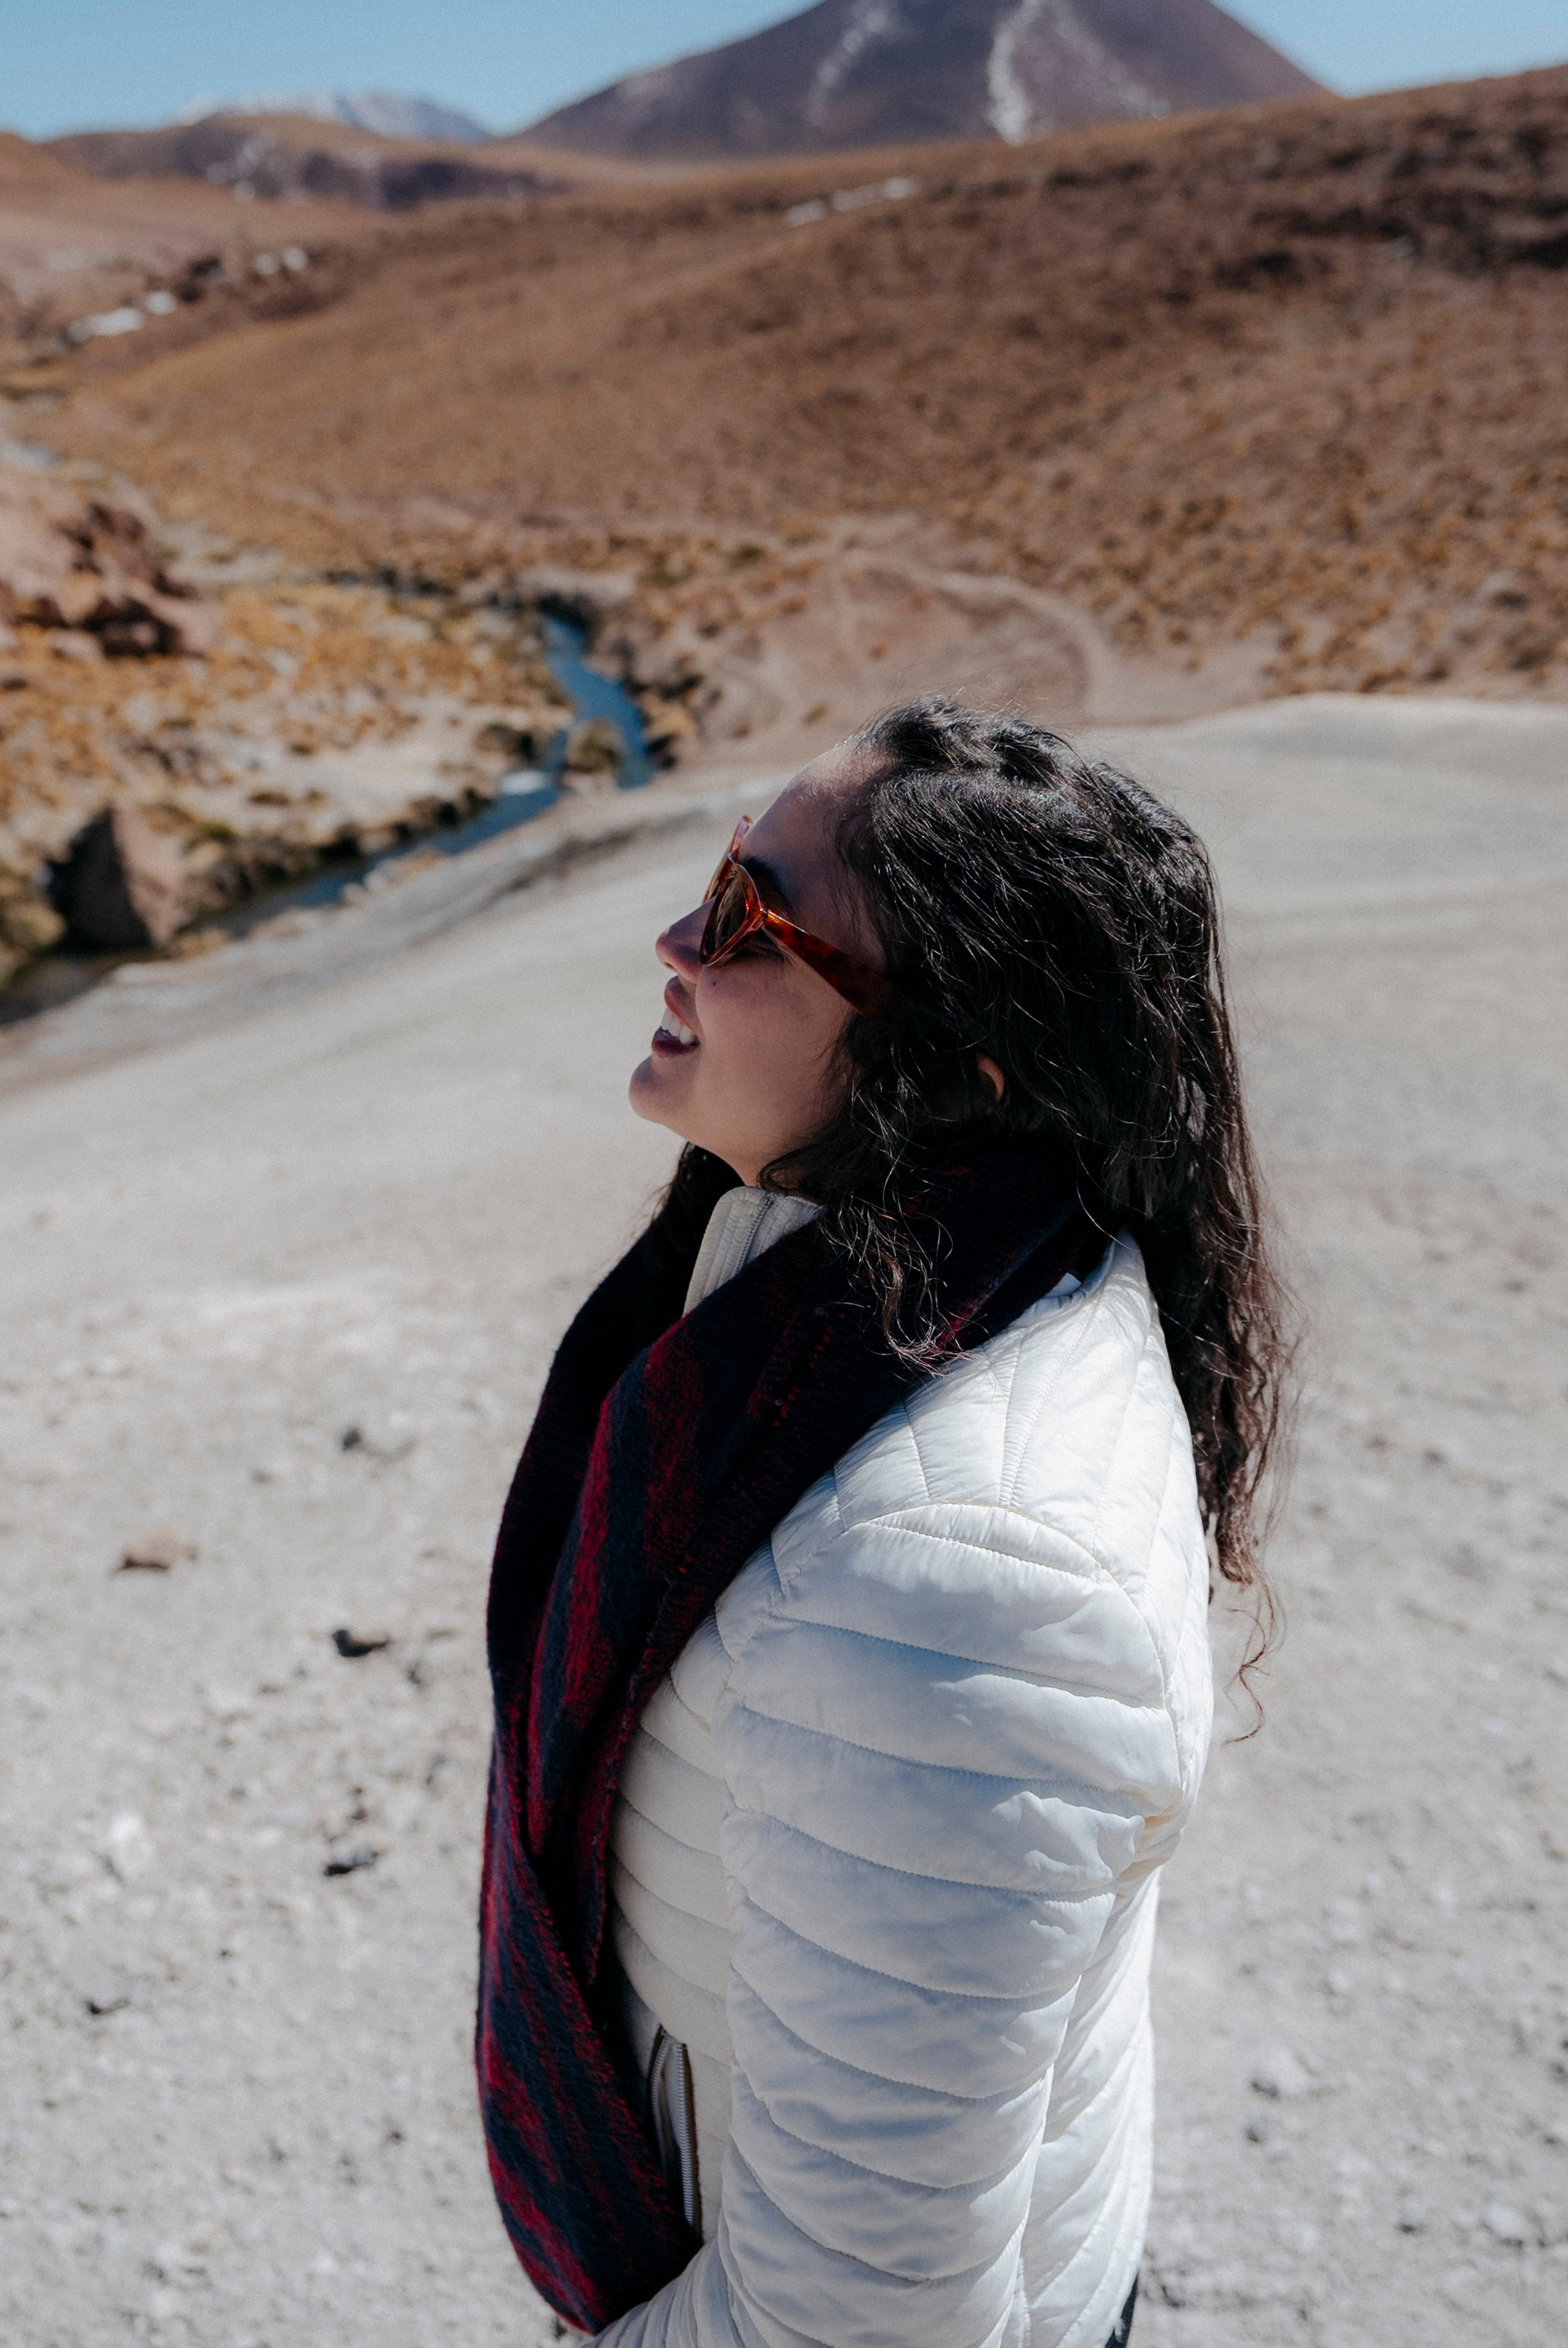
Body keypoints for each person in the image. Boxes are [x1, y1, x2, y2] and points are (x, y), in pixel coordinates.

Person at [478, 698, 1289, 2348]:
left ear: (960, 1063)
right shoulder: (911, 1291)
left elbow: (859, 2323)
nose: (670, 940)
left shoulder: (952, 1582)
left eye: (743, 920)